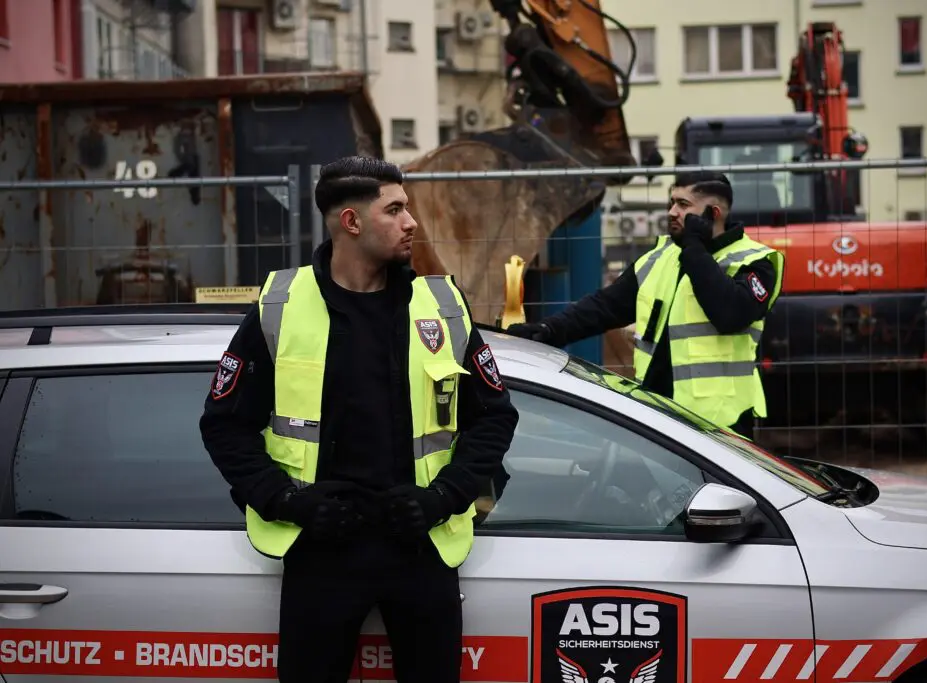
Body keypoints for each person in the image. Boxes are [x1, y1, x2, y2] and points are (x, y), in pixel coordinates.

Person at [199, 156, 519, 683]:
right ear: (351, 222)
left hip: (421, 546)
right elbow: (223, 425)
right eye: (395, 210)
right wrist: (288, 500)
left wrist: (443, 497)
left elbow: (494, 418)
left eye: (408, 208)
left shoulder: (442, 305)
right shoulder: (280, 305)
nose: (411, 222)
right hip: (322, 552)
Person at [505, 170, 784, 439]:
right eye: (671, 202)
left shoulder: (754, 262)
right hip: (660, 413)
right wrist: (549, 330)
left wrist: (695, 249)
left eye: (683, 204)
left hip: (721, 424)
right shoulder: (662, 256)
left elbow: (730, 314)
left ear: (713, 214)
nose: (672, 212)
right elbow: (606, 306)